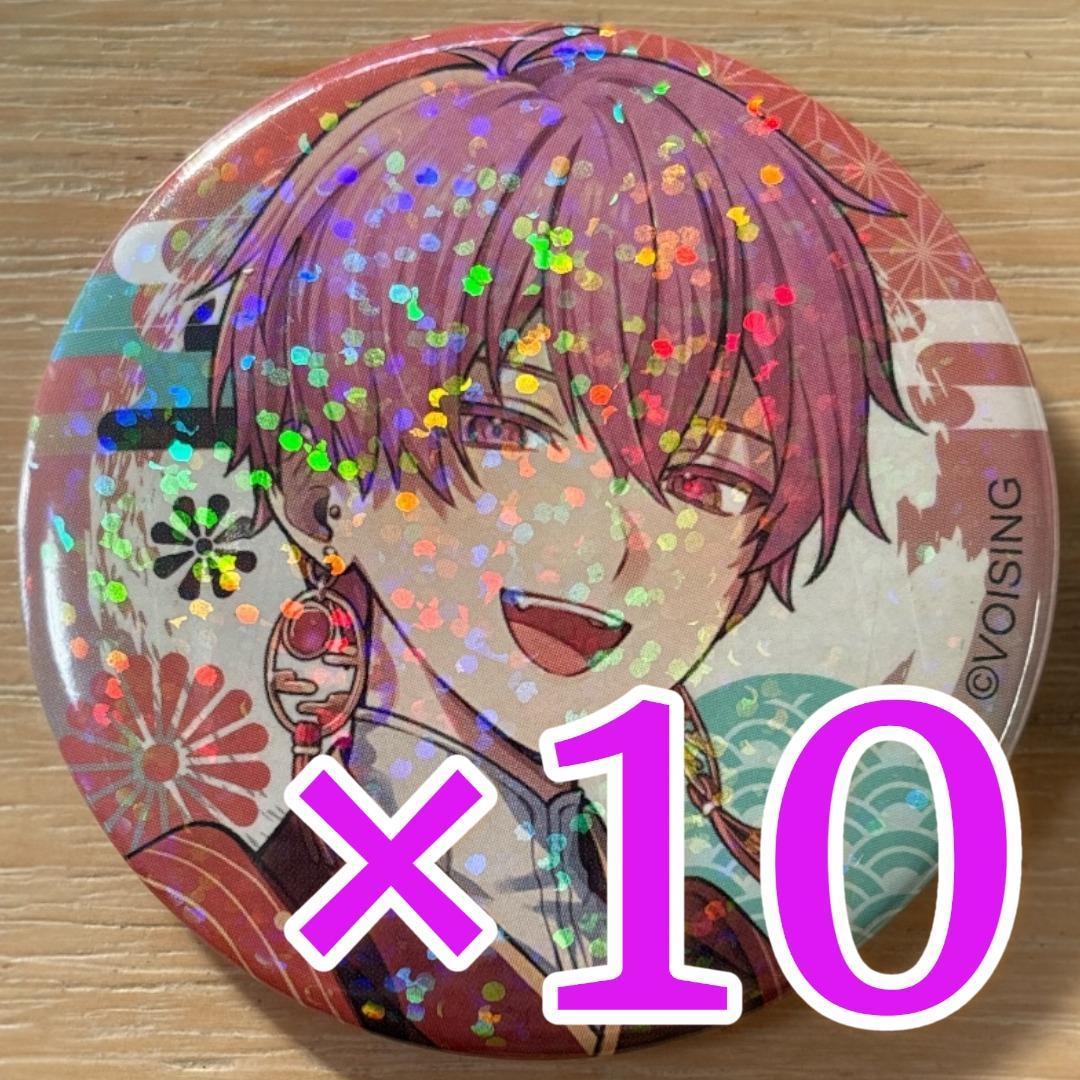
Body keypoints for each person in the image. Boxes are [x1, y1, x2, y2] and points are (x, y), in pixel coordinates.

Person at [131, 26, 911, 1054]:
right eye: (505, 427)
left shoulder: (713, 945)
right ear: (324, 489)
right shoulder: (244, 899)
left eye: (710, 480)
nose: (603, 548)